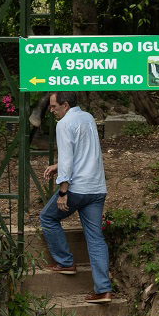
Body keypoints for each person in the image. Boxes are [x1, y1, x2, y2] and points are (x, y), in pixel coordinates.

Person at [40, 92, 113, 304]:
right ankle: (103, 290)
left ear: (65, 105)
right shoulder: (88, 117)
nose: (51, 111)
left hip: (77, 188)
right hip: (97, 187)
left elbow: (67, 158)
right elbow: (84, 151)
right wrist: (58, 167)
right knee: (95, 238)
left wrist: (63, 192)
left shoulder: (63, 124)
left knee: (47, 218)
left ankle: (65, 262)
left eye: (54, 107)